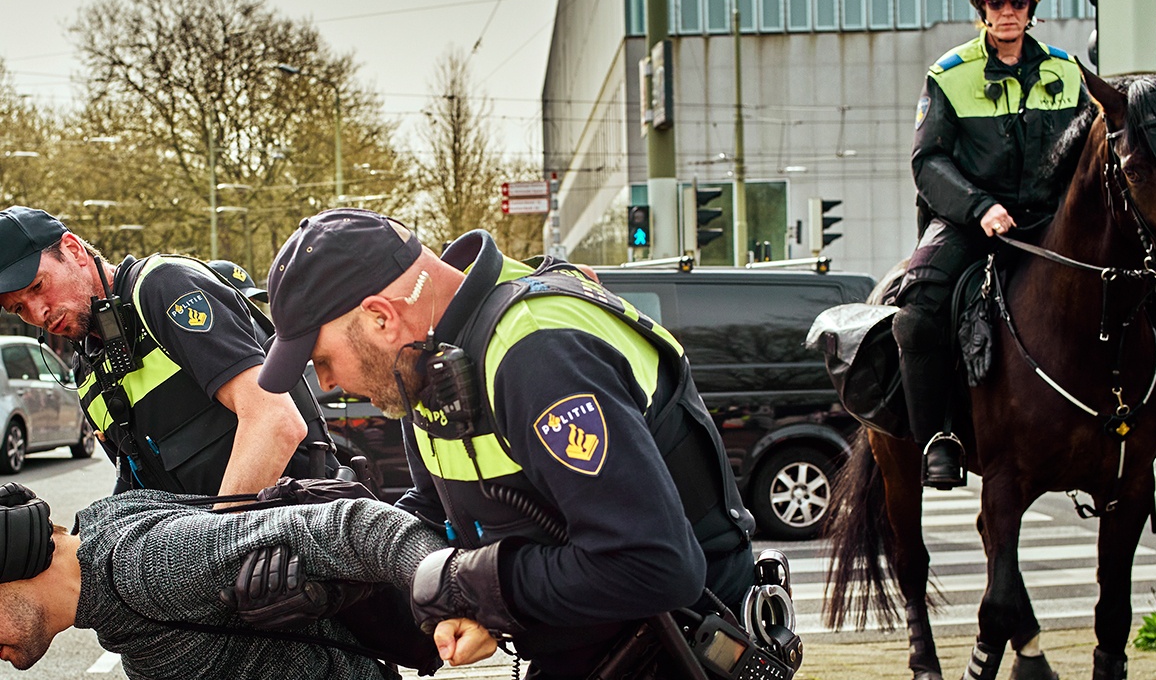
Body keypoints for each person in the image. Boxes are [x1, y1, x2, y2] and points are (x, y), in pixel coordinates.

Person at [256, 208, 757, 679]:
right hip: (590, 650)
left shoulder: (537, 352)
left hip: (678, 650)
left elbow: (655, 566)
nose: (325, 382)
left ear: (381, 317)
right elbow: (438, 519)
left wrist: (470, 586)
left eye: (321, 358)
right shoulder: (432, 363)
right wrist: (331, 567)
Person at [895, 0, 1092, 488]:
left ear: (1032, 8)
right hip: (969, 221)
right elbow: (927, 162)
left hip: (1049, 222)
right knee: (915, 315)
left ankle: (1149, 410)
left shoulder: (1067, 72)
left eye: (1018, 2)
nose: (1008, 11)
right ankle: (937, 437)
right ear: (980, 8)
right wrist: (979, 206)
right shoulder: (948, 74)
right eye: (997, 2)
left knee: (1142, 278)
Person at [0, 481, 495, 678]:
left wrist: (450, 590)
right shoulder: (105, 529)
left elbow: (357, 526)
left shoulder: (148, 569)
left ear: (12, 560)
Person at [0, 207, 334, 496]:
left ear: (73, 250)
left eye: (38, 286)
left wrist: (213, 544)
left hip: (293, 529)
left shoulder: (164, 288)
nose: (37, 313)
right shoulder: (86, 376)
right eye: (18, 308)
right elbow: (136, 484)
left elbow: (275, 421)